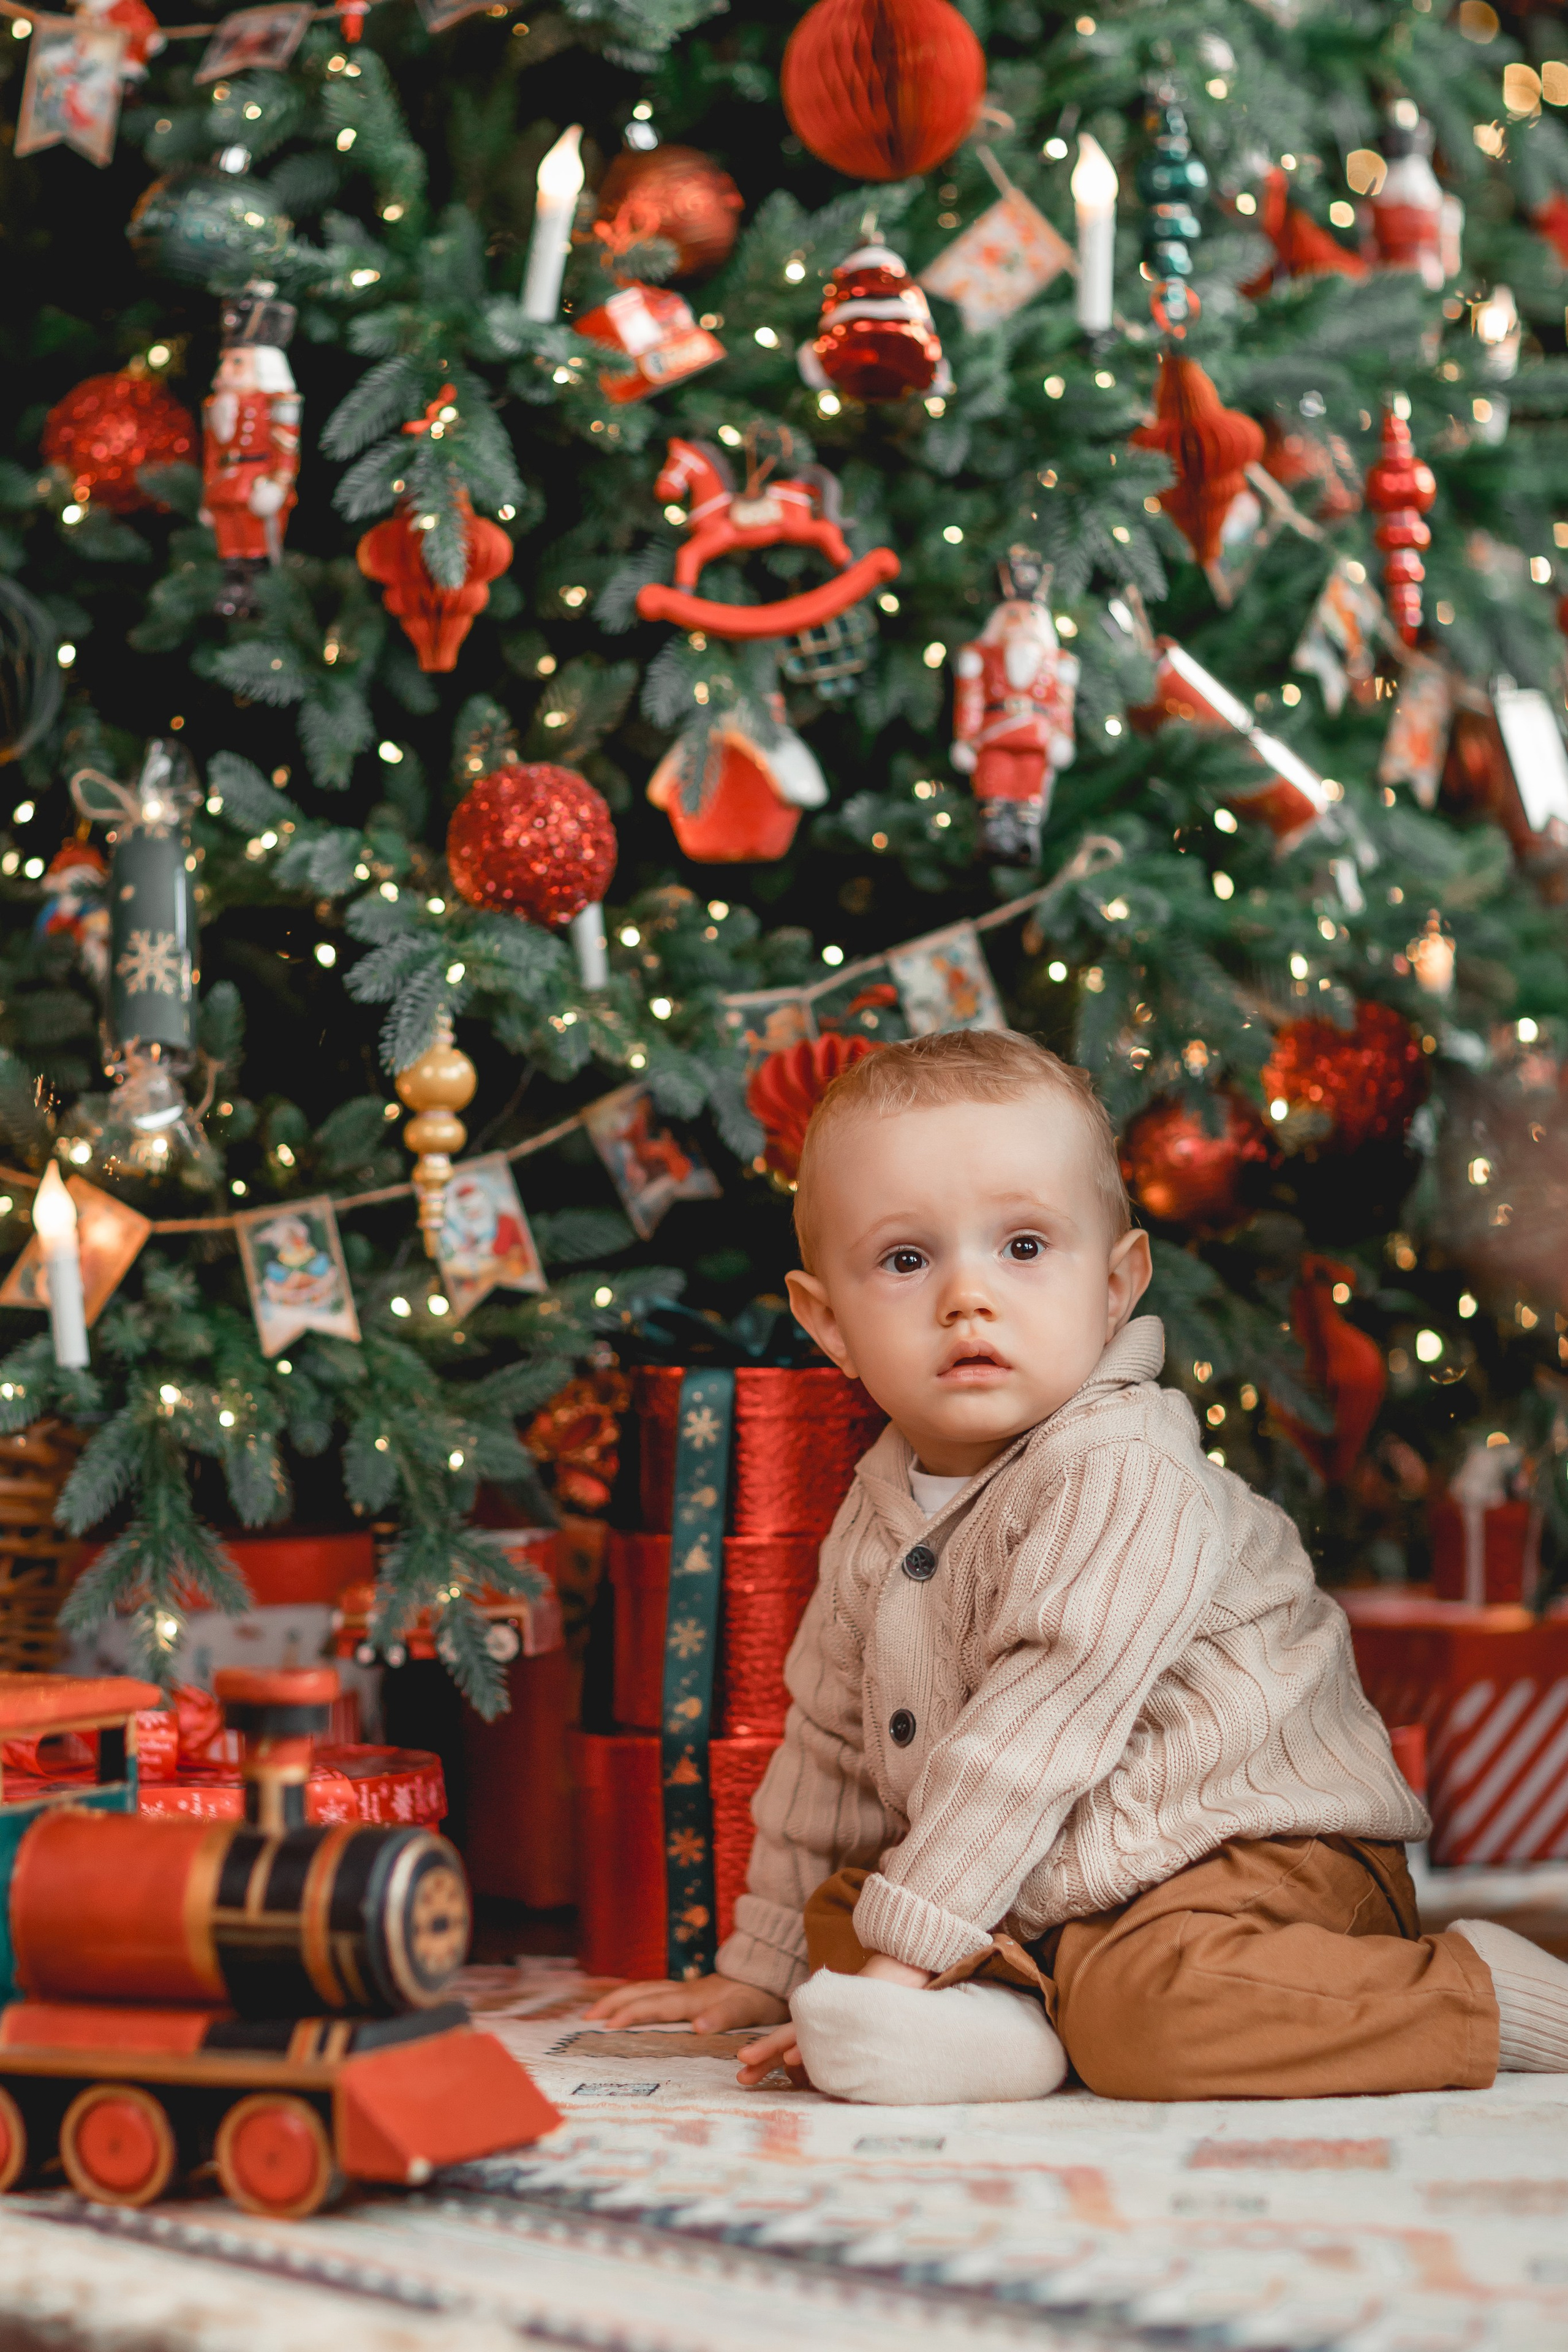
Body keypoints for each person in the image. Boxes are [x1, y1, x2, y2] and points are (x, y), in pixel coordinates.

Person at [587, 1030, 1568, 2104]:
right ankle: (1016, 2022)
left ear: (1116, 1286)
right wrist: (765, 1972)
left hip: (1258, 1851)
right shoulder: (874, 1516)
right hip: (1064, 1875)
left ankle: (1486, 1993)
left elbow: (1036, 1734)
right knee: (849, 1912)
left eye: (1022, 1248)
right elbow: (823, 1758)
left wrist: (905, 1965)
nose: (968, 1297)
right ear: (828, 1321)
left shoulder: (1122, 1469)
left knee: (1153, 2018)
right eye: (907, 1260)